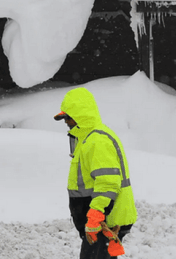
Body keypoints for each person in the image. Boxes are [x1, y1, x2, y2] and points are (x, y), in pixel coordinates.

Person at [54, 87, 137, 258]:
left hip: (105, 221)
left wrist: (95, 215)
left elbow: (107, 182)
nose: (66, 122)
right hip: (101, 221)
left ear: (80, 116)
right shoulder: (86, 140)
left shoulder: (97, 140)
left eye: (68, 117)